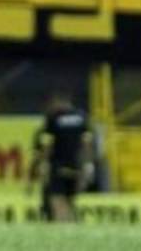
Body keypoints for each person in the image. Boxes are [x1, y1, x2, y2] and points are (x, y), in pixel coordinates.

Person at [29, 90, 93, 222]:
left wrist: (43, 163)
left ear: (57, 101)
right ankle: (72, 226)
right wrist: (88, 164)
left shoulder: (54, 118)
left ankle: (64, 228)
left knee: (57, 202)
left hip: (58, 166)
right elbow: (87, 143)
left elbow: (47, 144)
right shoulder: (82, 118)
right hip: (76, 166)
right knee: (70, 203)